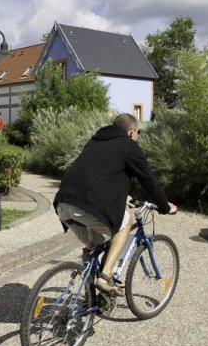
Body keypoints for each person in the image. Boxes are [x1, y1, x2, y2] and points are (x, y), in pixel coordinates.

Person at [53, 113, 176, 295]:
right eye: (138, 133)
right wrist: (165, 206)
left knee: (96, 245)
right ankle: (105, 276)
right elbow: (148, 179)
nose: (138, 137)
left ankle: (89, 291)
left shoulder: (95, 141)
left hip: (63, 204)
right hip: (86, 204)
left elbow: (99, 174)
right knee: (125, 221)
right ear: (131, 132)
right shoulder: (129, 146)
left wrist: (121, 195)